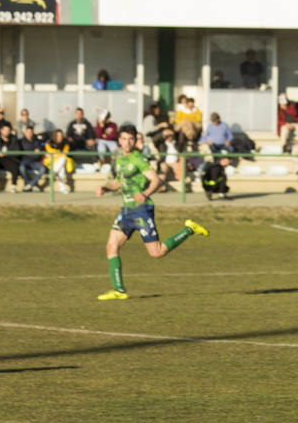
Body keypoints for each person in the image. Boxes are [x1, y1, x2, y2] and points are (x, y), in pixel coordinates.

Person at [95, 125, 209, 301]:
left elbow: (157, 180)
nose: (127, 142)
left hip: (141, 210)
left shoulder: (138, 159)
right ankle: (119, 290)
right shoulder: (120, 160)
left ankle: (190, 229)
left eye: (131, 139)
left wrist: (145, 194)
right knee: (111, 246)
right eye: (124, 139)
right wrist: (104, 186)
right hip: (126, 211)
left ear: (135, 140)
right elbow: (117, 183)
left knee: (156, 252)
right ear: (119, 140)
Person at [0, 123, 21, 193]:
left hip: (8, 159)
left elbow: (17, 151)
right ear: (1, 130)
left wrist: (7, 153)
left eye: (8, 130)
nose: (7, 132)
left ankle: (13, 186)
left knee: (15, 166)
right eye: (5, 130)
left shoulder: (13, 139)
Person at [44, 129, 74, 194]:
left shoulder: (65, 143)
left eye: (61, 136)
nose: (59, 137)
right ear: (55, 136)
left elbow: (65, 153)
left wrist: (55, 154)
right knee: (61, 165)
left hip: (60, 162)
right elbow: (49, 152)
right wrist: (57, 154)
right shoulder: (50, 142)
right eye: (58, 136)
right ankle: (62, 187)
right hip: (51, 162)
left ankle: (53, 173)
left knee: (62, 161)